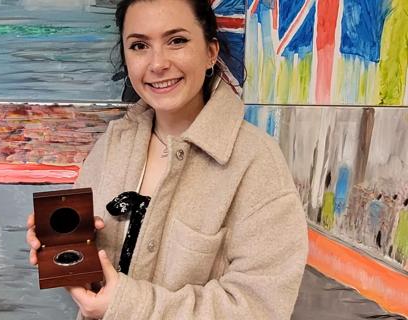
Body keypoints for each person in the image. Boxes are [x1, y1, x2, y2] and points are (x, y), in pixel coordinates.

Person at [26, 0, 308, 319]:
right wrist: (61, 251)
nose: (157, 63)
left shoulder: (257, 163)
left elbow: (260, 308)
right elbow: (94, 277)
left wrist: (130, 306)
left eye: (177, 40)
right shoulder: (112, 145)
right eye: (139, 45)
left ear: (210, 52)